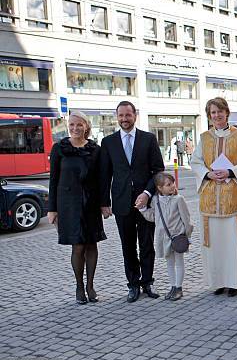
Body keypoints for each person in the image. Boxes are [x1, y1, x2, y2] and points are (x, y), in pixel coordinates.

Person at [191, 97, 237, 296]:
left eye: (220, 111)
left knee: (233, 243)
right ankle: (219, 282)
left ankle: (234, 283)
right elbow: (195, 161)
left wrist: (230, 172)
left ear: (227, 113)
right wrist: (208, 173)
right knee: (216, 244)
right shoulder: (204, 138)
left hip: (234, 198)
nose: (217, 115)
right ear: (209, 116)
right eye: (213, 113)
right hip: (211, 198)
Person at [99, 101, 165, 303]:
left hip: (145, 203)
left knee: (146, 244)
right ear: (116, 117)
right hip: (121, 202)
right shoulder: (108, 142)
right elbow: (105, 174)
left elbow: (158, 171)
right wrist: (104, 202)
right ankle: (133, 285)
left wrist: (147, 192)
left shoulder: (148, 139)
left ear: (135, 115)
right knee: (127, 245)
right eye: (121, 115)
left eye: (128, 115)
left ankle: (147, 282)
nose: (124, 119)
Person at [48, 112, 107, 304]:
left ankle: (90, 285)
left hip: (90, 202)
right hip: (69, 204)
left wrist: (105, 204)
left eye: (79, 125)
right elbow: (53, 179)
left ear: (86, 127)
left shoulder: (95, 150)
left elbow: (102, 180)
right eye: (71, 125)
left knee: (92, 244)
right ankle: (79, 287)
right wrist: (52, 208)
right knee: (78, 245)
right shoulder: (59, 148)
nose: (75, 128)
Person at [140, 173, 193, 301]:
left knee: (179, 262)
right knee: (169, 263)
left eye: (172, 183)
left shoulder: (179, 199)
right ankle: (173, 286)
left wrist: (187, 235)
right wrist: (142, 210)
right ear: (159, 187)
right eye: (168, 185)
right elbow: (153, 217)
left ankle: (179, 288)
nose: (172, 186)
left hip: (178, 236)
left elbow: (186, 219)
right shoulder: (155, 201)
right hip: (163, 238)